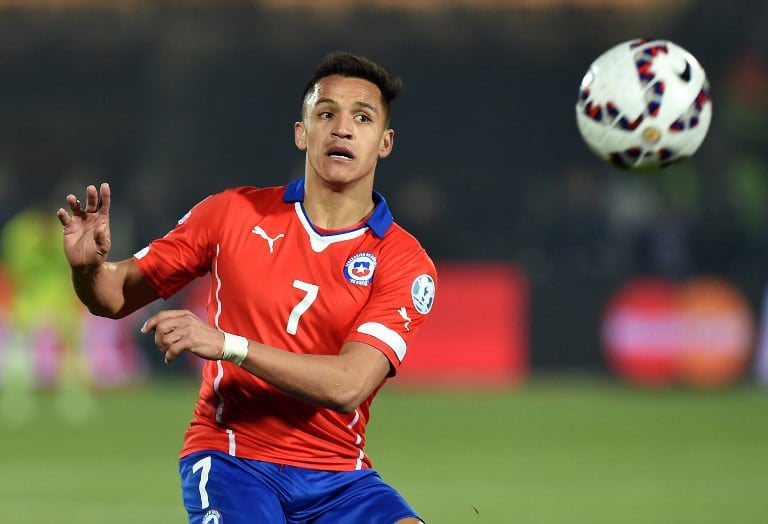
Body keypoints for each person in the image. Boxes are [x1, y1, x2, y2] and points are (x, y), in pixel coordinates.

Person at [57, 51, 437, 524]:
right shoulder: (232, 214)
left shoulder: (403, 261)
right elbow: (114, 297)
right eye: (326, 114)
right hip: (233, 459)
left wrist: (228, 345)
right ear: (302, 132)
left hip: (340, 475)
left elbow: (349, 385)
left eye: (362, 117)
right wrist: (88, 270)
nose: (342, 128)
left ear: (385, 142)